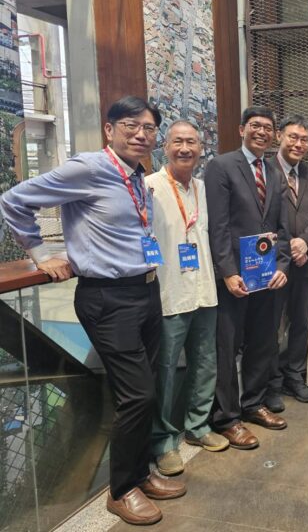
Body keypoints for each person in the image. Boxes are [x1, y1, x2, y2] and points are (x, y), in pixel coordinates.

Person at [0, 96, 185, 525]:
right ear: (110, 130)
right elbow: (13, 201)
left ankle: (141, 474)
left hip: (145, 291)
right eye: (130, 126)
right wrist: (40, 254)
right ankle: (121, 490)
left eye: (149, 128)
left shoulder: (136, 176)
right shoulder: (88, 168)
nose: (140, 134)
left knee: (148, 387)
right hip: (107, 298)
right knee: (136, 394)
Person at [205, 107, 290, 450]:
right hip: (235, 279)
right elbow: (218, 226)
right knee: (227, 347)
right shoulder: (221, 166)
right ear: (242, 129)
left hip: (266, 277)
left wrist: (282, 266)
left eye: (268, 128)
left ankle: (253, 403)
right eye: (255, 125)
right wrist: (228, 272)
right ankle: (226, 418)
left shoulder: (274, 172)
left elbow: (282, 228)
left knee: (262, 342)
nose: (262, 132)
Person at [147, 120, 229, 477]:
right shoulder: (149, 187)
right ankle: (164, 441)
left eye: (191, 142)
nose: (185, 148)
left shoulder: (204, 188)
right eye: (178, 142)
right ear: (165, 147)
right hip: (169, 293)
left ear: (201, 148)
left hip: (205, 290)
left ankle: (198, 426)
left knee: (205, 363)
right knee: (165, 371)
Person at [266, 115, 308, 410]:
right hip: (274, 264)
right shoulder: (265, 171)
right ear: (279, 136)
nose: (298, 144)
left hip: (307, 261)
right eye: (293, 137)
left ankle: (295, 375)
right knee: (270, 326)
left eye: (304, 139)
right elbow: (260, 216)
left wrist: (304, 241)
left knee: (301, 322)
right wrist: (288, 246)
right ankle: (271, 383)